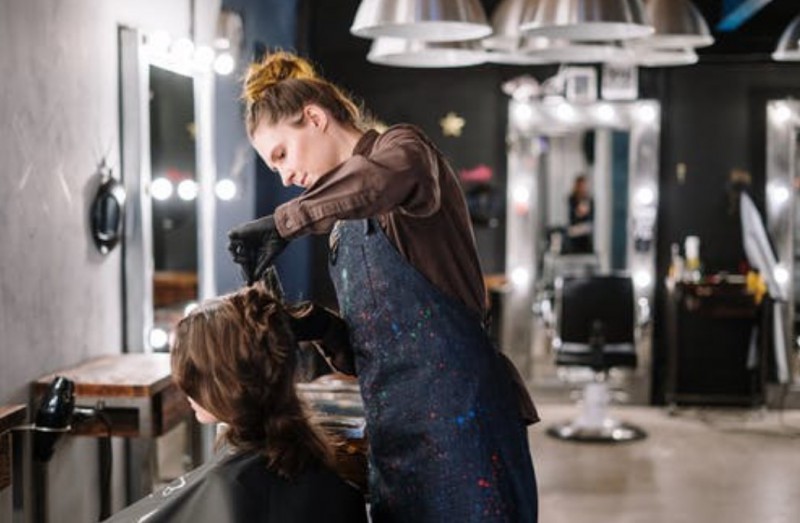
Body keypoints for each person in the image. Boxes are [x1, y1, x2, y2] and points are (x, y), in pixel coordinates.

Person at [227, 51, 539, 522]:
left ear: (315, 118)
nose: (286, 177)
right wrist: (315, 326)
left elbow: (381, 181)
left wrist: (284, 223)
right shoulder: (341, 227)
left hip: (465, 431)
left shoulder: (404, 153)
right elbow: (377, 354)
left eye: (282, 155)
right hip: (395, 441)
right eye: (275, 170)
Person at [105, 281, 368, 523]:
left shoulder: (229, 486)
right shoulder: (327, 474)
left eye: (193, 375)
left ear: (226, 382)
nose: (184, 388)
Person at [567, 174, 594, 254]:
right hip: (574, 234)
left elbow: (590, 217)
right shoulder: (572, 199)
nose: (582, 188)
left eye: (583, 186)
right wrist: (580, 212)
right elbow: (573, 216)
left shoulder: (589, 199)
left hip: (586, 235)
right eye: (580, 186)